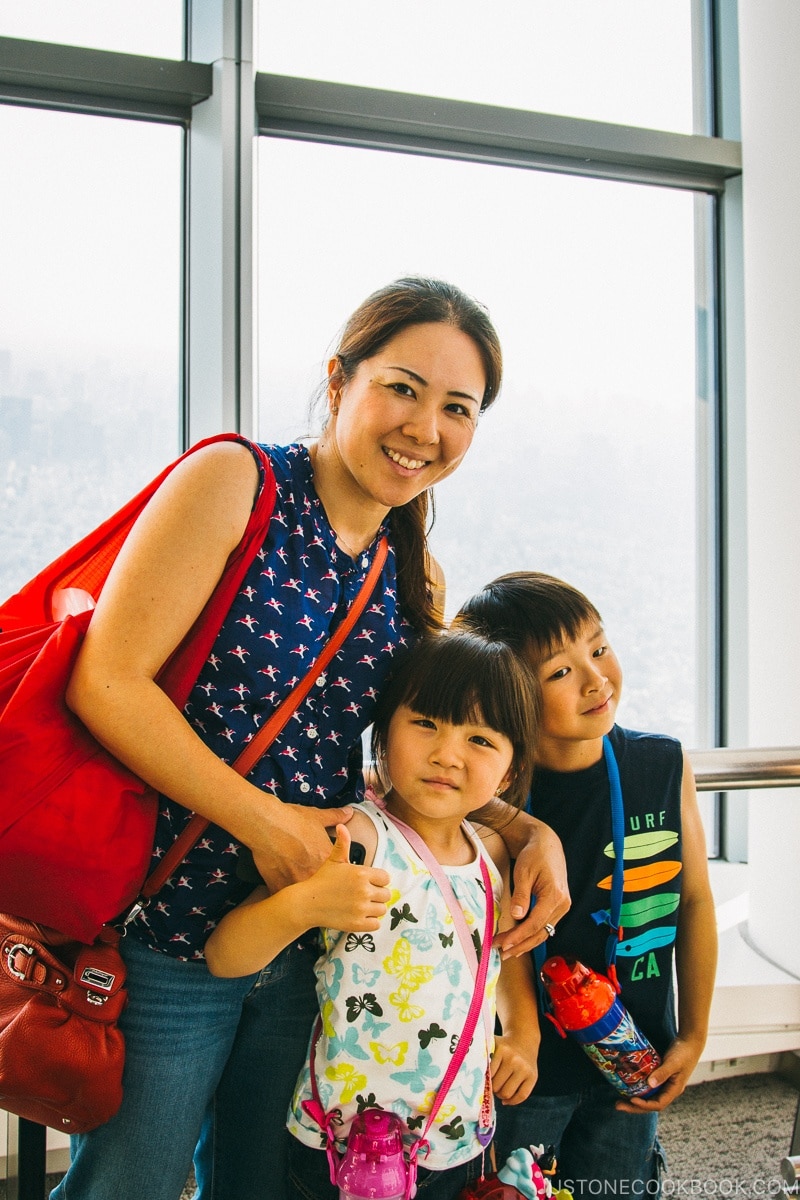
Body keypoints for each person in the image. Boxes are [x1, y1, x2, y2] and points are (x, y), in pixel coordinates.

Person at [56, 278, 570, 1200]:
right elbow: (106, 680)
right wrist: (266, 823)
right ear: (339, 381)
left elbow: (416, 758)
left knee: (261, 1186)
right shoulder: (236, 482)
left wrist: (528, 832)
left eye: (458, 408)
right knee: (127, 1184)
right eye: (403, 388)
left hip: (315, 948)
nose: (425, 428)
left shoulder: (410, 565)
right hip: (168, 929)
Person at [205, 629, 543, 1200]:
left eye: (481, 739)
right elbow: (225, 955)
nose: (447, 754)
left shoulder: (491, 857)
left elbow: (498, 956)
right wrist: (303, 904)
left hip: (450, 1132)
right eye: (426, 723)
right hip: (339, 1143)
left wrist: (524, 1037)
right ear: (382, 733)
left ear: (508, 773)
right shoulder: (355, 837)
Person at [455, 571, 718, 1199]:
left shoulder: (660, 762)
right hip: (525, 1070)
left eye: (598, 649)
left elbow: (696, 900)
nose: (596, 678)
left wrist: (694, 1034)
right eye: (559, 672)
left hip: (632, 1058)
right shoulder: (491, 799)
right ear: (512, 696)